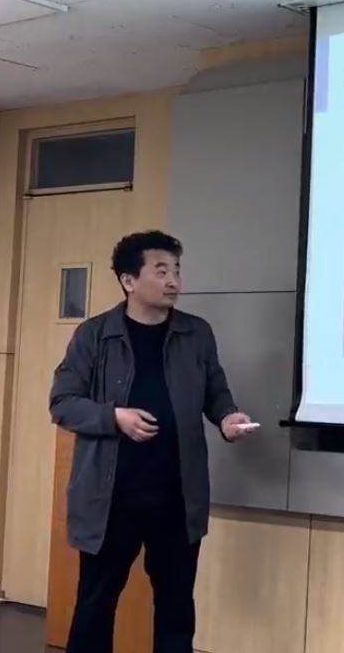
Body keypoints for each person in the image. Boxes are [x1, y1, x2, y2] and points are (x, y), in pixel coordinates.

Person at [49, 230, 257, 653]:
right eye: (161, 271)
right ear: (128, 280)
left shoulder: (196, 333)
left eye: (176, 269)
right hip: (110, 500)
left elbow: (215, 392)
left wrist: (227, 418)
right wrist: (114, 417)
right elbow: (63, 403)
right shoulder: (94, 335)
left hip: (176, 497)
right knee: (95, 603)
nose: (173, 280)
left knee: (176, 607)